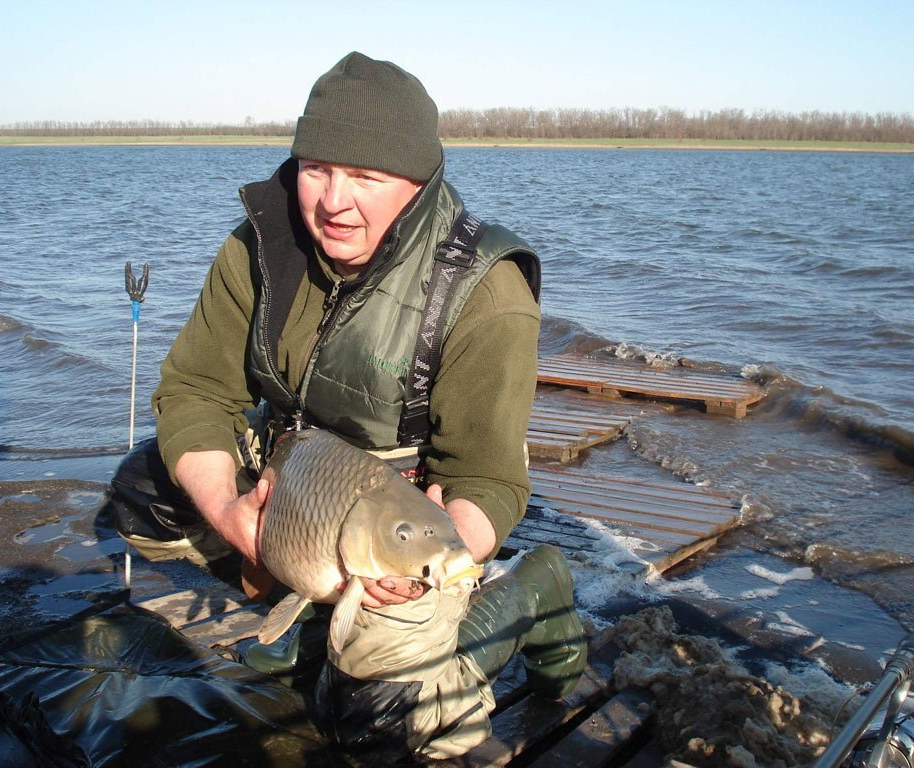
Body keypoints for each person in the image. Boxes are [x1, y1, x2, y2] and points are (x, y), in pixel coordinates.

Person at [110, 51, 586, 760]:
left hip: (413, 522)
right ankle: (315, 621)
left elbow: (489, 480)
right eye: (317, 169)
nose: (334, 200)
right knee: (144, 493)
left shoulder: (484, 289)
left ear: (419, 184)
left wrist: (420, 569)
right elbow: (195, 392)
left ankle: (525, 596)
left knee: (380, 722)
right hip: (299, 490)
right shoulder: (260, 249)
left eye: (366, 176)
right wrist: (231, 516)